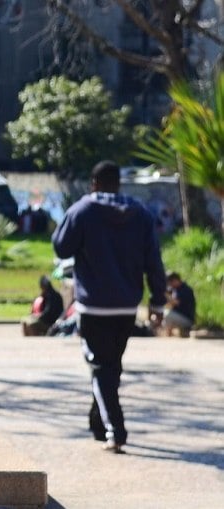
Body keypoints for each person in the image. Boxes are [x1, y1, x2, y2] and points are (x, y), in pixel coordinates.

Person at [52, 160, 166, 454]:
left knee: (101, 367)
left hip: (94, 305)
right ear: (119, 183)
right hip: (127, 306)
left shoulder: (83, 210)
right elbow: (154, 260)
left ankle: (116, 429)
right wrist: (157, 301)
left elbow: (61, 247)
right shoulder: (140, 213)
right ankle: (98, 424)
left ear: (94, 183)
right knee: (109, 367)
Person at [162, 271, 195, 337]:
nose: (169, 285)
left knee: (167, 315)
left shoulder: (186, 290)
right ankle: (168, 333)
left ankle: (168, 335)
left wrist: (164, 293)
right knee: (162, 315)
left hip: (187, 319)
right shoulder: (175, 289)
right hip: (179, 317)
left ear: (175, 280)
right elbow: (169, 305)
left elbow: (176, 302)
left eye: (170, 283)